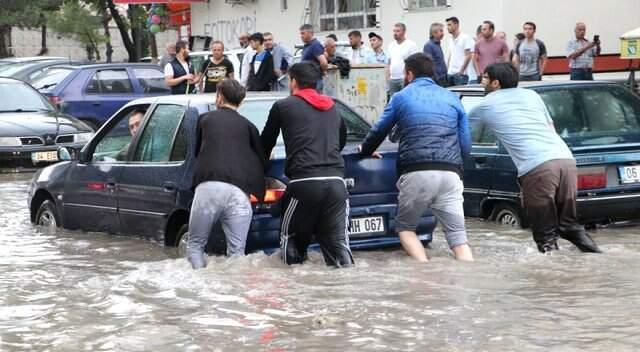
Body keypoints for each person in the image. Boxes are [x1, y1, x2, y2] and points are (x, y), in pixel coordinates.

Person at [469, 63, 601, 254]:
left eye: (484, 78)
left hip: (539, 168)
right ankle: (596, 259)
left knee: (545, 235)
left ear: (495, 83)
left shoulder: (485, 105)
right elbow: (551, 128)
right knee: (569, 226)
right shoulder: (532, 95)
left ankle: (551, 281)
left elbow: (462, 132)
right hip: (565, 159)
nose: (482, 82)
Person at [359, 53, 474, 262]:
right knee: (458, 238)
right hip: (451, 173)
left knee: (405, 229)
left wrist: (365, 152)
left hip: (416, 171)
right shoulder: (452, 98)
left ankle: (423, 272)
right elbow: (465, 143)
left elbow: (378, 131)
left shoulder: (401, 97)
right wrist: (458, 169)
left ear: (409, 74)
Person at [261, 62, 354, 268]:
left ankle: (297, 296)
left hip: (304, 184)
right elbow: (341, 140)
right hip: (337, 183)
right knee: (338, 246)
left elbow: (265, 144)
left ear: (293, 82)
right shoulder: (333, 107)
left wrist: (258, 170)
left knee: (291, 241)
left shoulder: (283, 106)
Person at [188, 79, 269, 269]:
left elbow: (197, 152)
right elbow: (262, 160)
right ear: (241, 103)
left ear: (219, 97)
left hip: (208, 188)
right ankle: (235, 294)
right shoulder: (249, 127)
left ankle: (200, 288)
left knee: (195, 246)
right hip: (239, 193)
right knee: (237, 253)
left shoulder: (205, 120)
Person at [388, 23, 419, 96]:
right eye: (394, 31)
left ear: (404, 32)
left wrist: (408, 77)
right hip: (393, 79)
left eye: (398, 31)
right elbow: (389, 62)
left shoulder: (411, 45)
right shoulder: (391, 45)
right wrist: (388, 77)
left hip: (404, 78)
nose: (395, 33)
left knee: (405, 99)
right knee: (393, 101)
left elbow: (415, 63)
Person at [445, 17, 476, 86]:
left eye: (449, 25)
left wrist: (461, 71)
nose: (447, 27)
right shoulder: (450, 39)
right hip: (450, 73)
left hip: (460, 75)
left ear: (456, 25)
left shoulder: (465, 37)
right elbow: (450, 55)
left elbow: (468, 55)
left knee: (460, 95)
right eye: (447, 25)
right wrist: (447, 70)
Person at [300, 24, 329, 91]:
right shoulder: (308, 45)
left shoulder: (315, 45)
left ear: (310, 33)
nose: (301, 36)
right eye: (301, 34)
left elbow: (324, 62)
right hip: (308, 81)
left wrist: (323, 71)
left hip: (314, 82)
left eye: (303, 33)